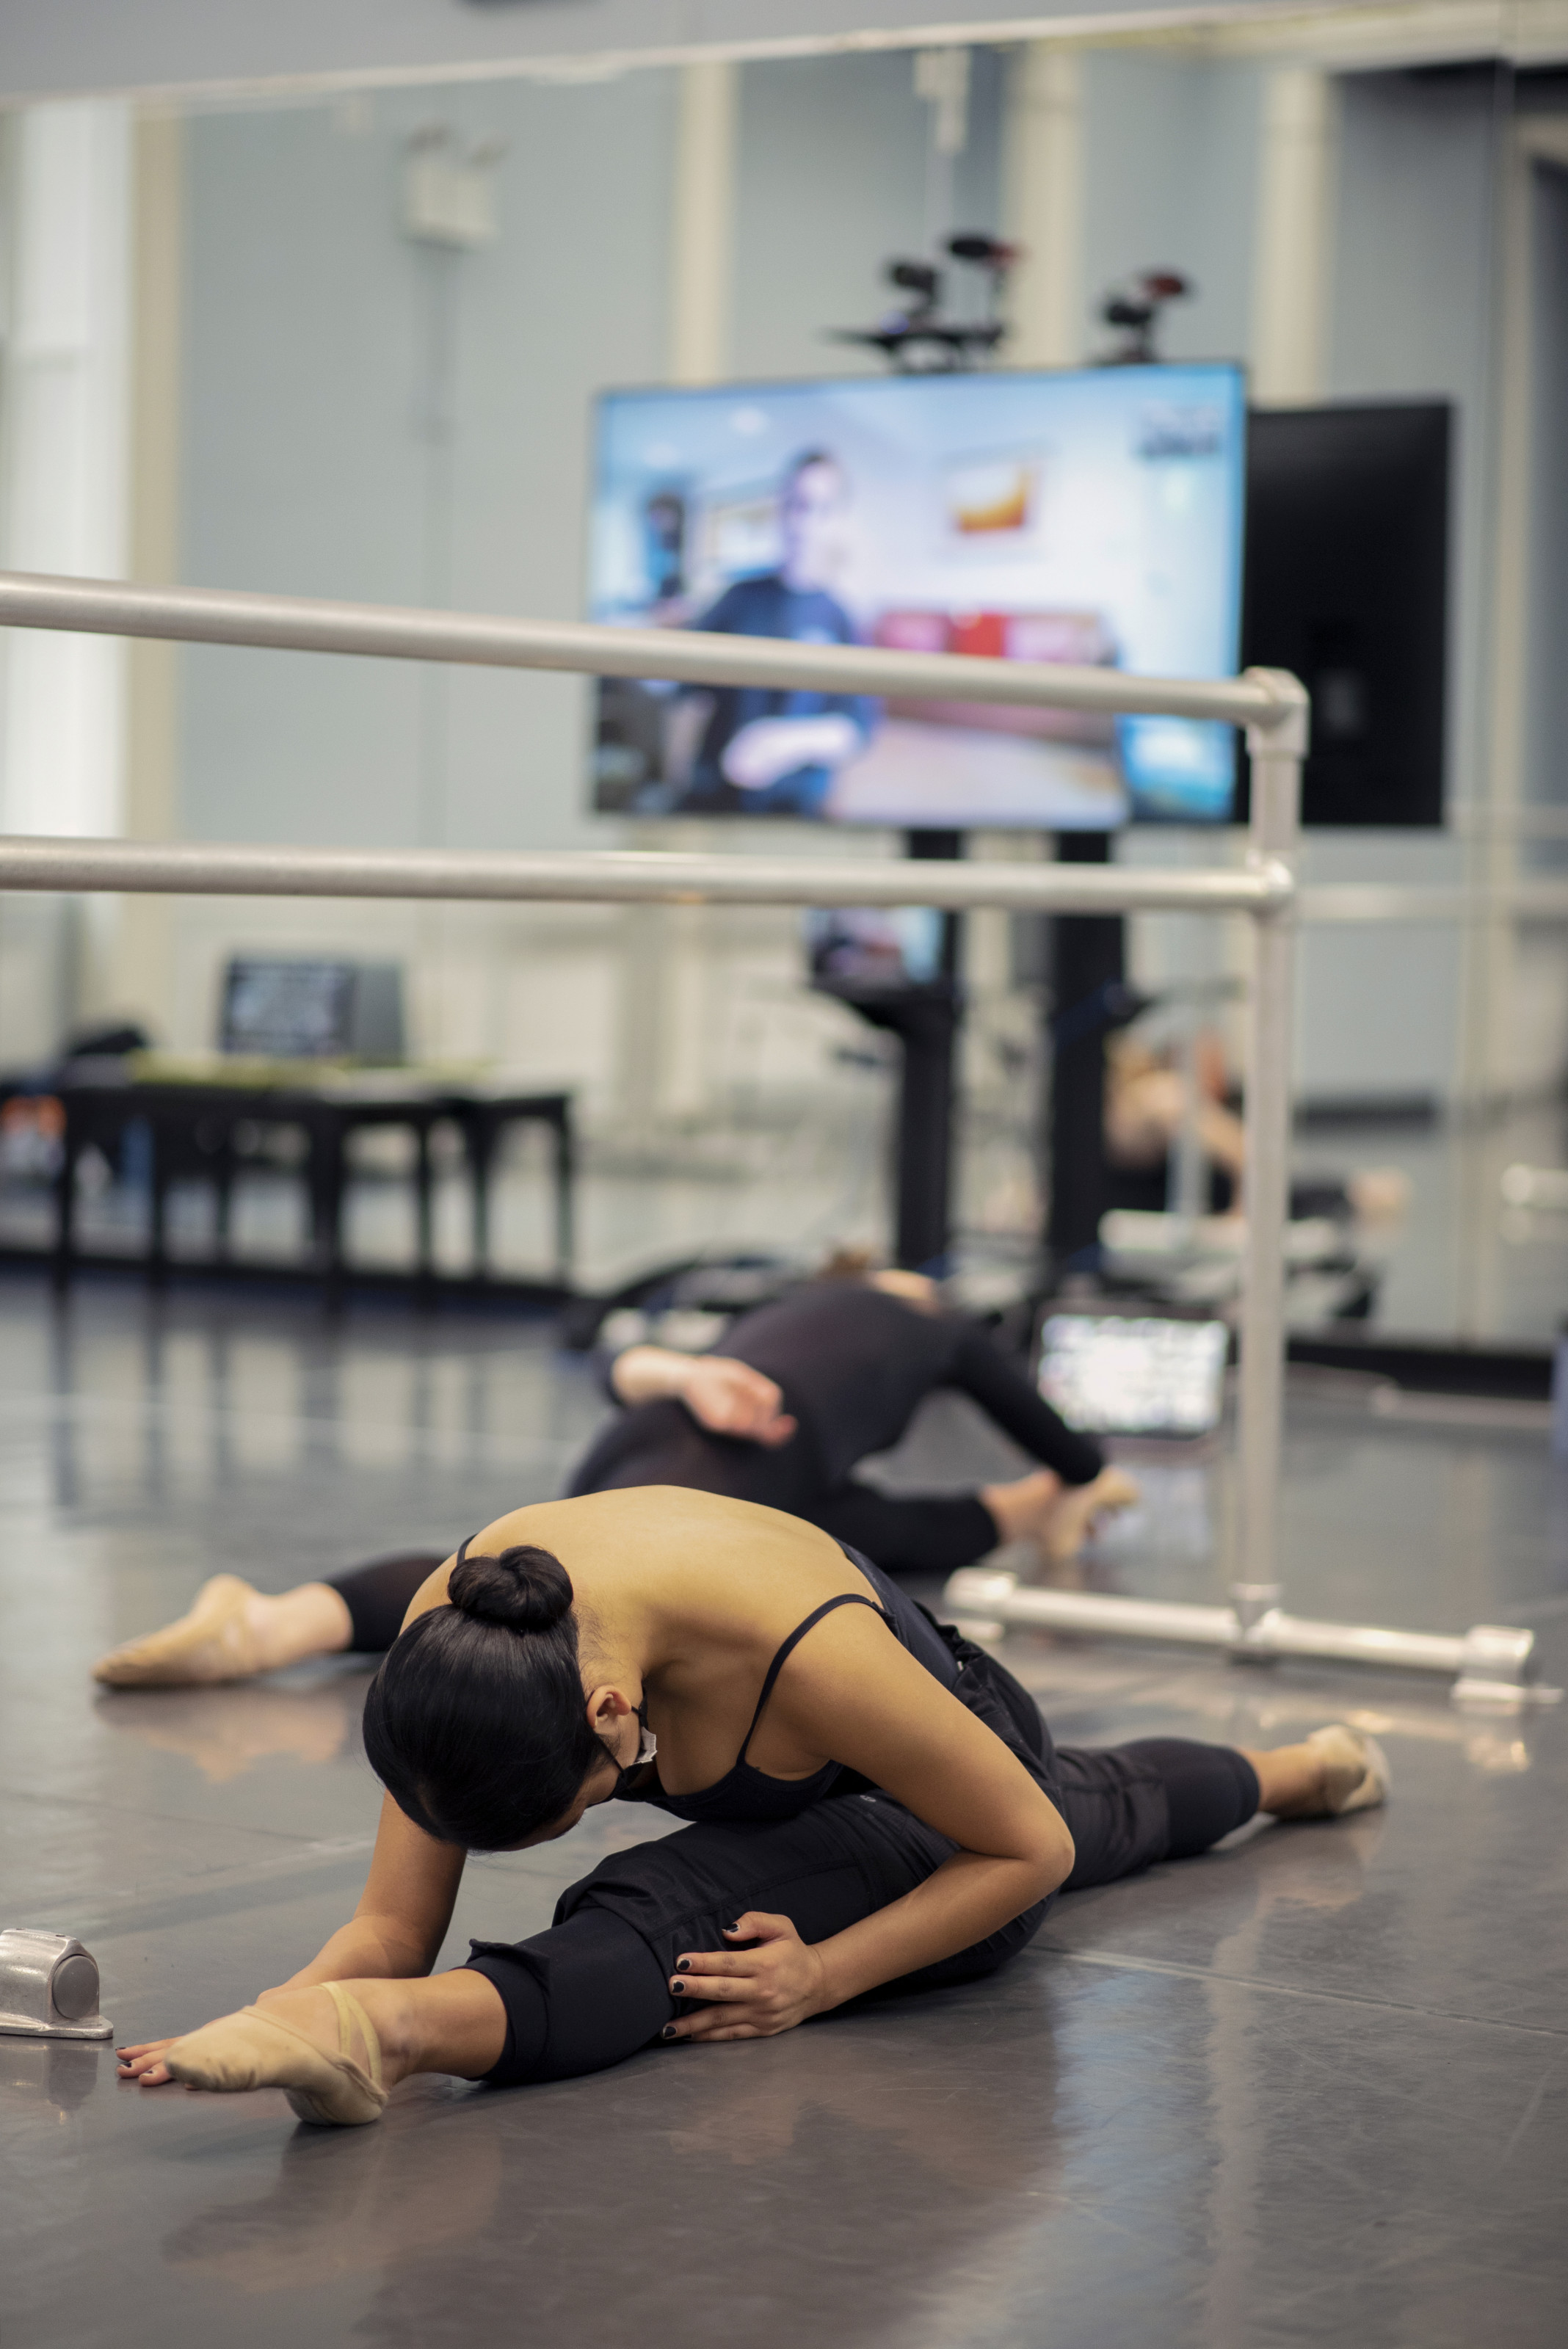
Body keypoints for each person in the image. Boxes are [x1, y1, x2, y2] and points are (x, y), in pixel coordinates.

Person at [115, 1489, 1389, 2126]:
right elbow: (396, 1924)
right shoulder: (467, 1638)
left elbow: (1030, 1848)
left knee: (678, 1909)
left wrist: (823, 1977)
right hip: (899, 1772)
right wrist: (275, 2007)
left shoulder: (808, 1654)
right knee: (1108, 1808)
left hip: (956, 1792)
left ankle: (390, 2041)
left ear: (610, 1715)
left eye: (564, 1809)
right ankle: (1303, 1770)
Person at [92, 1269, 1139, 1689]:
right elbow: (1063, 1437)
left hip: (660, 1436)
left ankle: (276, 1621)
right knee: (587, 1595)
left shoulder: (782, 1311)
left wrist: (688, 1374)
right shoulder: (937, 1325)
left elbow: (613, 1363)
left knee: (525, 1564)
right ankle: (267, 1625)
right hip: (729, 1478)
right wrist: (1081, 1482)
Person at [672, 450, 879, 816]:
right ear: (781, 509)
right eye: (795, 505)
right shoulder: (738, 598)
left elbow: (857, 728)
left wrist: (783, 741)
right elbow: (684, 688)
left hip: (794, 807)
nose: (803, 523)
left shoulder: (841, 618)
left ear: (838, 519)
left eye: (821, 509)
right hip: (717, 797)